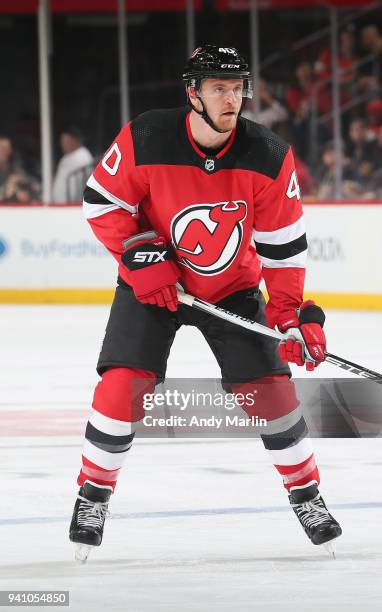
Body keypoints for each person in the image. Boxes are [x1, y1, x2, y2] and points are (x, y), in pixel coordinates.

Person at [69, 45, 342, 561]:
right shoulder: (146, 135)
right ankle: (92, 494)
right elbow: (102, 202)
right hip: (154, 285)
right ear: (192, 92)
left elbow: (284, 248)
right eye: (218, 87)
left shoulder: (269, 154)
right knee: (122, 386)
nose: (231, 97)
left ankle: (306, 493)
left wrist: (287, 316)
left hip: (231, 290)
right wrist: (140, 258)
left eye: (237, 87)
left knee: (272, 394)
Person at [52, 127, 93, 203]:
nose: (62, 144)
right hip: (60, 206)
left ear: (75, 140)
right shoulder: (65, 158)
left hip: (74, 206)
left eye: (66, 141)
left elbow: (80, 185)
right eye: (62, 141)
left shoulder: (83, 156)